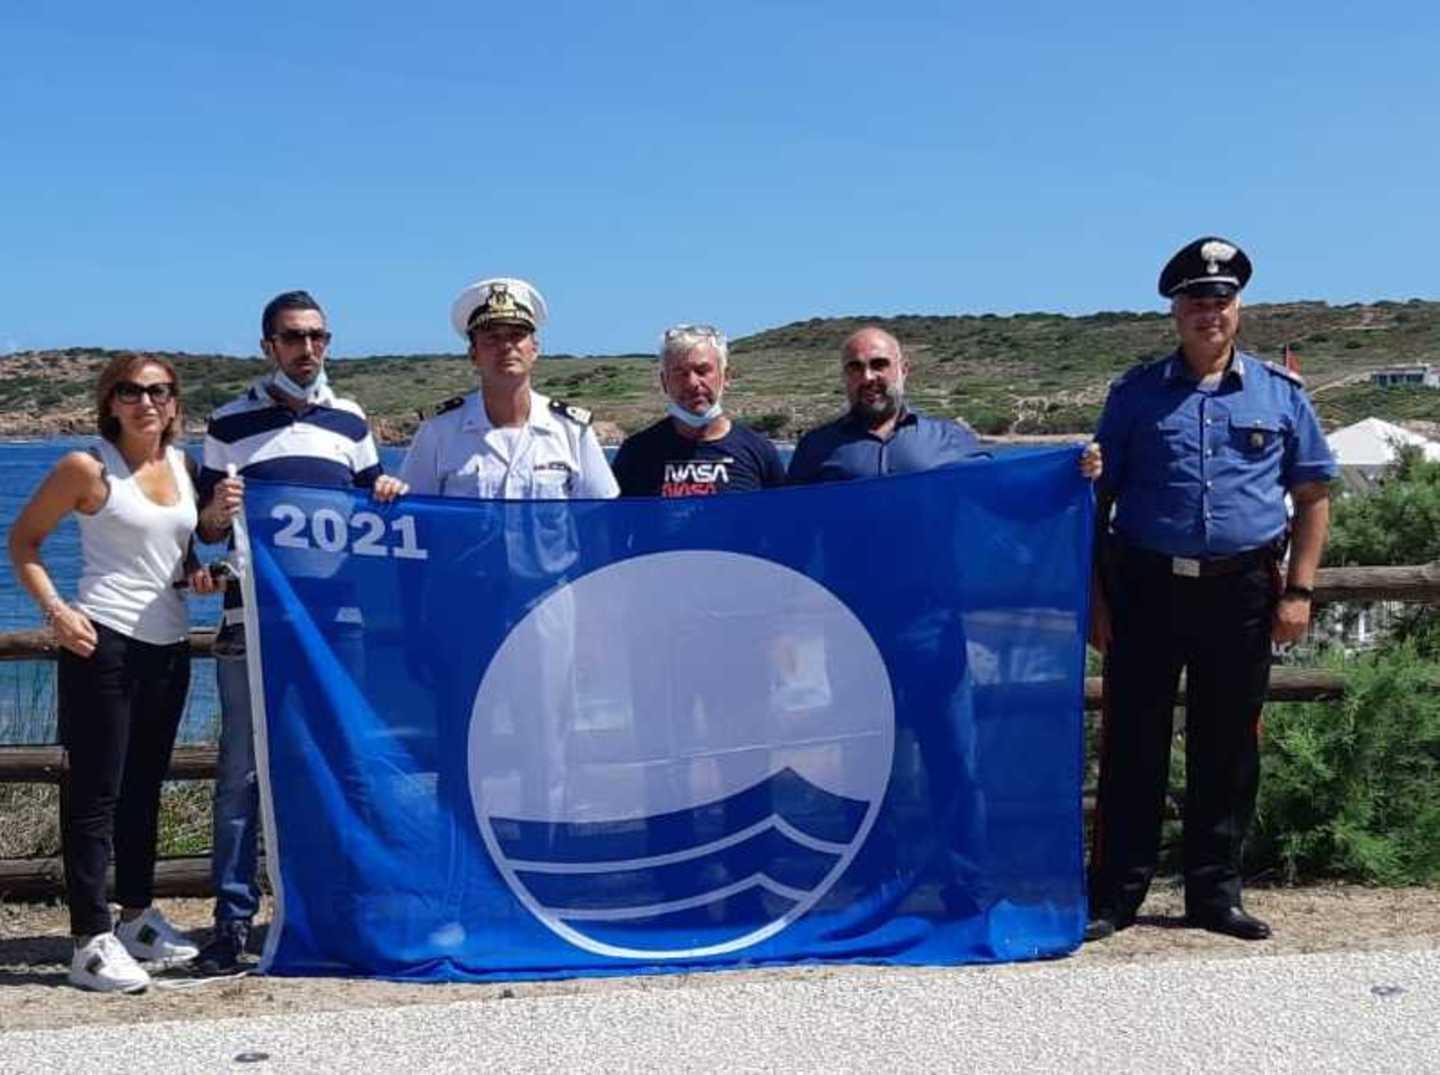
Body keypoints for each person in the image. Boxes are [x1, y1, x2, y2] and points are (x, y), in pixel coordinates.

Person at [1085, 237, 1338, 943]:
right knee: (1133, 743)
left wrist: (1299, 592)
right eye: (1196, 300)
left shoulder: (1280, 394)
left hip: (1242, 594)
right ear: (1175, 311)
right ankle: (1115, 894)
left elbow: (1313, 496)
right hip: (1146, 587)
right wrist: (1095, 596)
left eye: (1221, 300)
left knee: (1227, 750)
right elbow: (1096, 501)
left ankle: (1214, 894)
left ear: (1238, 308)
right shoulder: (1135, 395)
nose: (1209, 312)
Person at [192, 290, 406, 974]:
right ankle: (232, 921)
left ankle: (345, 909)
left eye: (317, 336)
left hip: (336, 628)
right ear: (269, 346)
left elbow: (371, 506)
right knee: (241, 776)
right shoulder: (229, 422)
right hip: (251, 624)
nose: (306, 348)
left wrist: (389, 492)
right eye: (292, 337)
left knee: (344, 761)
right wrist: (217, 512)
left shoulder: (351, 420)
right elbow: (206, 532)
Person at [8, 353, 219, 992]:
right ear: (110, 402)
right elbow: (23, 543)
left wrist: (197, 575)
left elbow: (176, 553)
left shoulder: (183, 467)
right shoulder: (86, 468)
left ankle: (136, 918)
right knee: (95, 794)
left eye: (158, 391)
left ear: (174, 402)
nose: (145, 402)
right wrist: (56, 612)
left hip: (169, 645)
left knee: (145, 787)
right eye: (130, 391)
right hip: (103, 644)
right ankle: (89, 941)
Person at [787, 325, 1101, 482]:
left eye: (879, 364)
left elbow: (1003, 494)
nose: (868, 376)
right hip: (843, 591)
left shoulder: (950, 439)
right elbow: (790, 527)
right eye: (855, 368)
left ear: (903, 370)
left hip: (935, 588)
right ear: (844, 376)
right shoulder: (815, 448)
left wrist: (1072, 470)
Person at [399, 277, 618, 499]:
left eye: (517, 335)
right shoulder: (439, 429)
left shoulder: (571, 429)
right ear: (473, 354)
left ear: (534, 349)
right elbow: (413, 510)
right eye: (492, 338)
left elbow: (600, 511)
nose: (506, 346)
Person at [612, 324, 784, 496]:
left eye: (702, 371)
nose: (692, 383)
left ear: (726, 377)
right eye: (680, 373)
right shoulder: (636, 453)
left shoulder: (760, 451)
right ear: (664, 382)